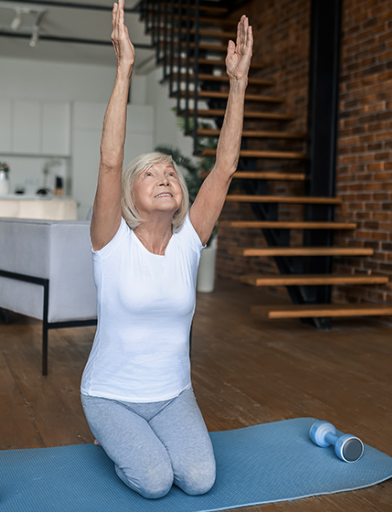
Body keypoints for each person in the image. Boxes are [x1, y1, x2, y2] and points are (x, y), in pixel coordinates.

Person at [80, 0, 253, 500]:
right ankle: (118, 440)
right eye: (151, 173)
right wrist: (125, 67)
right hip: (110, 397)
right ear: (131, 194)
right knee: (154, 482)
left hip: (173, 396)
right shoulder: (110, 242)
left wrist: (237, 84)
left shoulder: (188, 245)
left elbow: (224, 167)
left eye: (171, 172)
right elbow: (110, 162)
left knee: (199, 481)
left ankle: (145, 441)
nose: (164, 177)